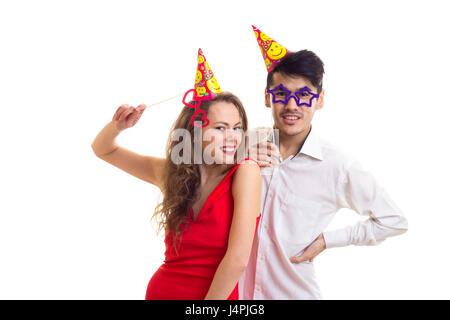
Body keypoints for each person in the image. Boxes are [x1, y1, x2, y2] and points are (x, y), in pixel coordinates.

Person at [239, 26, 409, 299]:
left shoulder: (338, 166)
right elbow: (188, 172)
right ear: (267, 97)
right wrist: (239, 160)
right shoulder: (242, 145)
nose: (292, 106)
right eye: (281, 94)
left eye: (304, 95)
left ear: (320, 100)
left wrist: (327, 241)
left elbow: (394, 220)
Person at [91, 49, 261, 300]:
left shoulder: (245, 173)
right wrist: (117, 126)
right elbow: (103, 149)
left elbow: (237, 260)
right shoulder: (169, 174)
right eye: (220, 128)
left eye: (237, 128)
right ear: (194, 132)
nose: (232, 137)